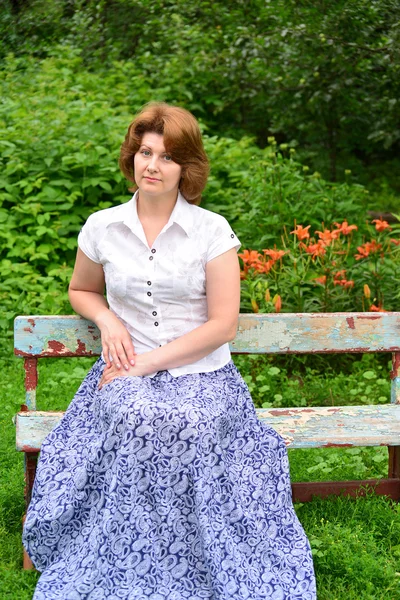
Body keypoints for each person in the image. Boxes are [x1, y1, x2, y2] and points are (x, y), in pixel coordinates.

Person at [23, 102, 316, 599]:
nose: (152, 165)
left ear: (188, 168)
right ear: (132, 157)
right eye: (144, 152)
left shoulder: (211, 231)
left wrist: (147, 363)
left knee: (193, 423)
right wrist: (107, 319)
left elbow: (224, 324)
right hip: (121, 370)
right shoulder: (103, 226)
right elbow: (82, 289)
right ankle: (126, 559)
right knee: (133, 414)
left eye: (166, 156)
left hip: (203, 373)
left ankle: (201, 562)